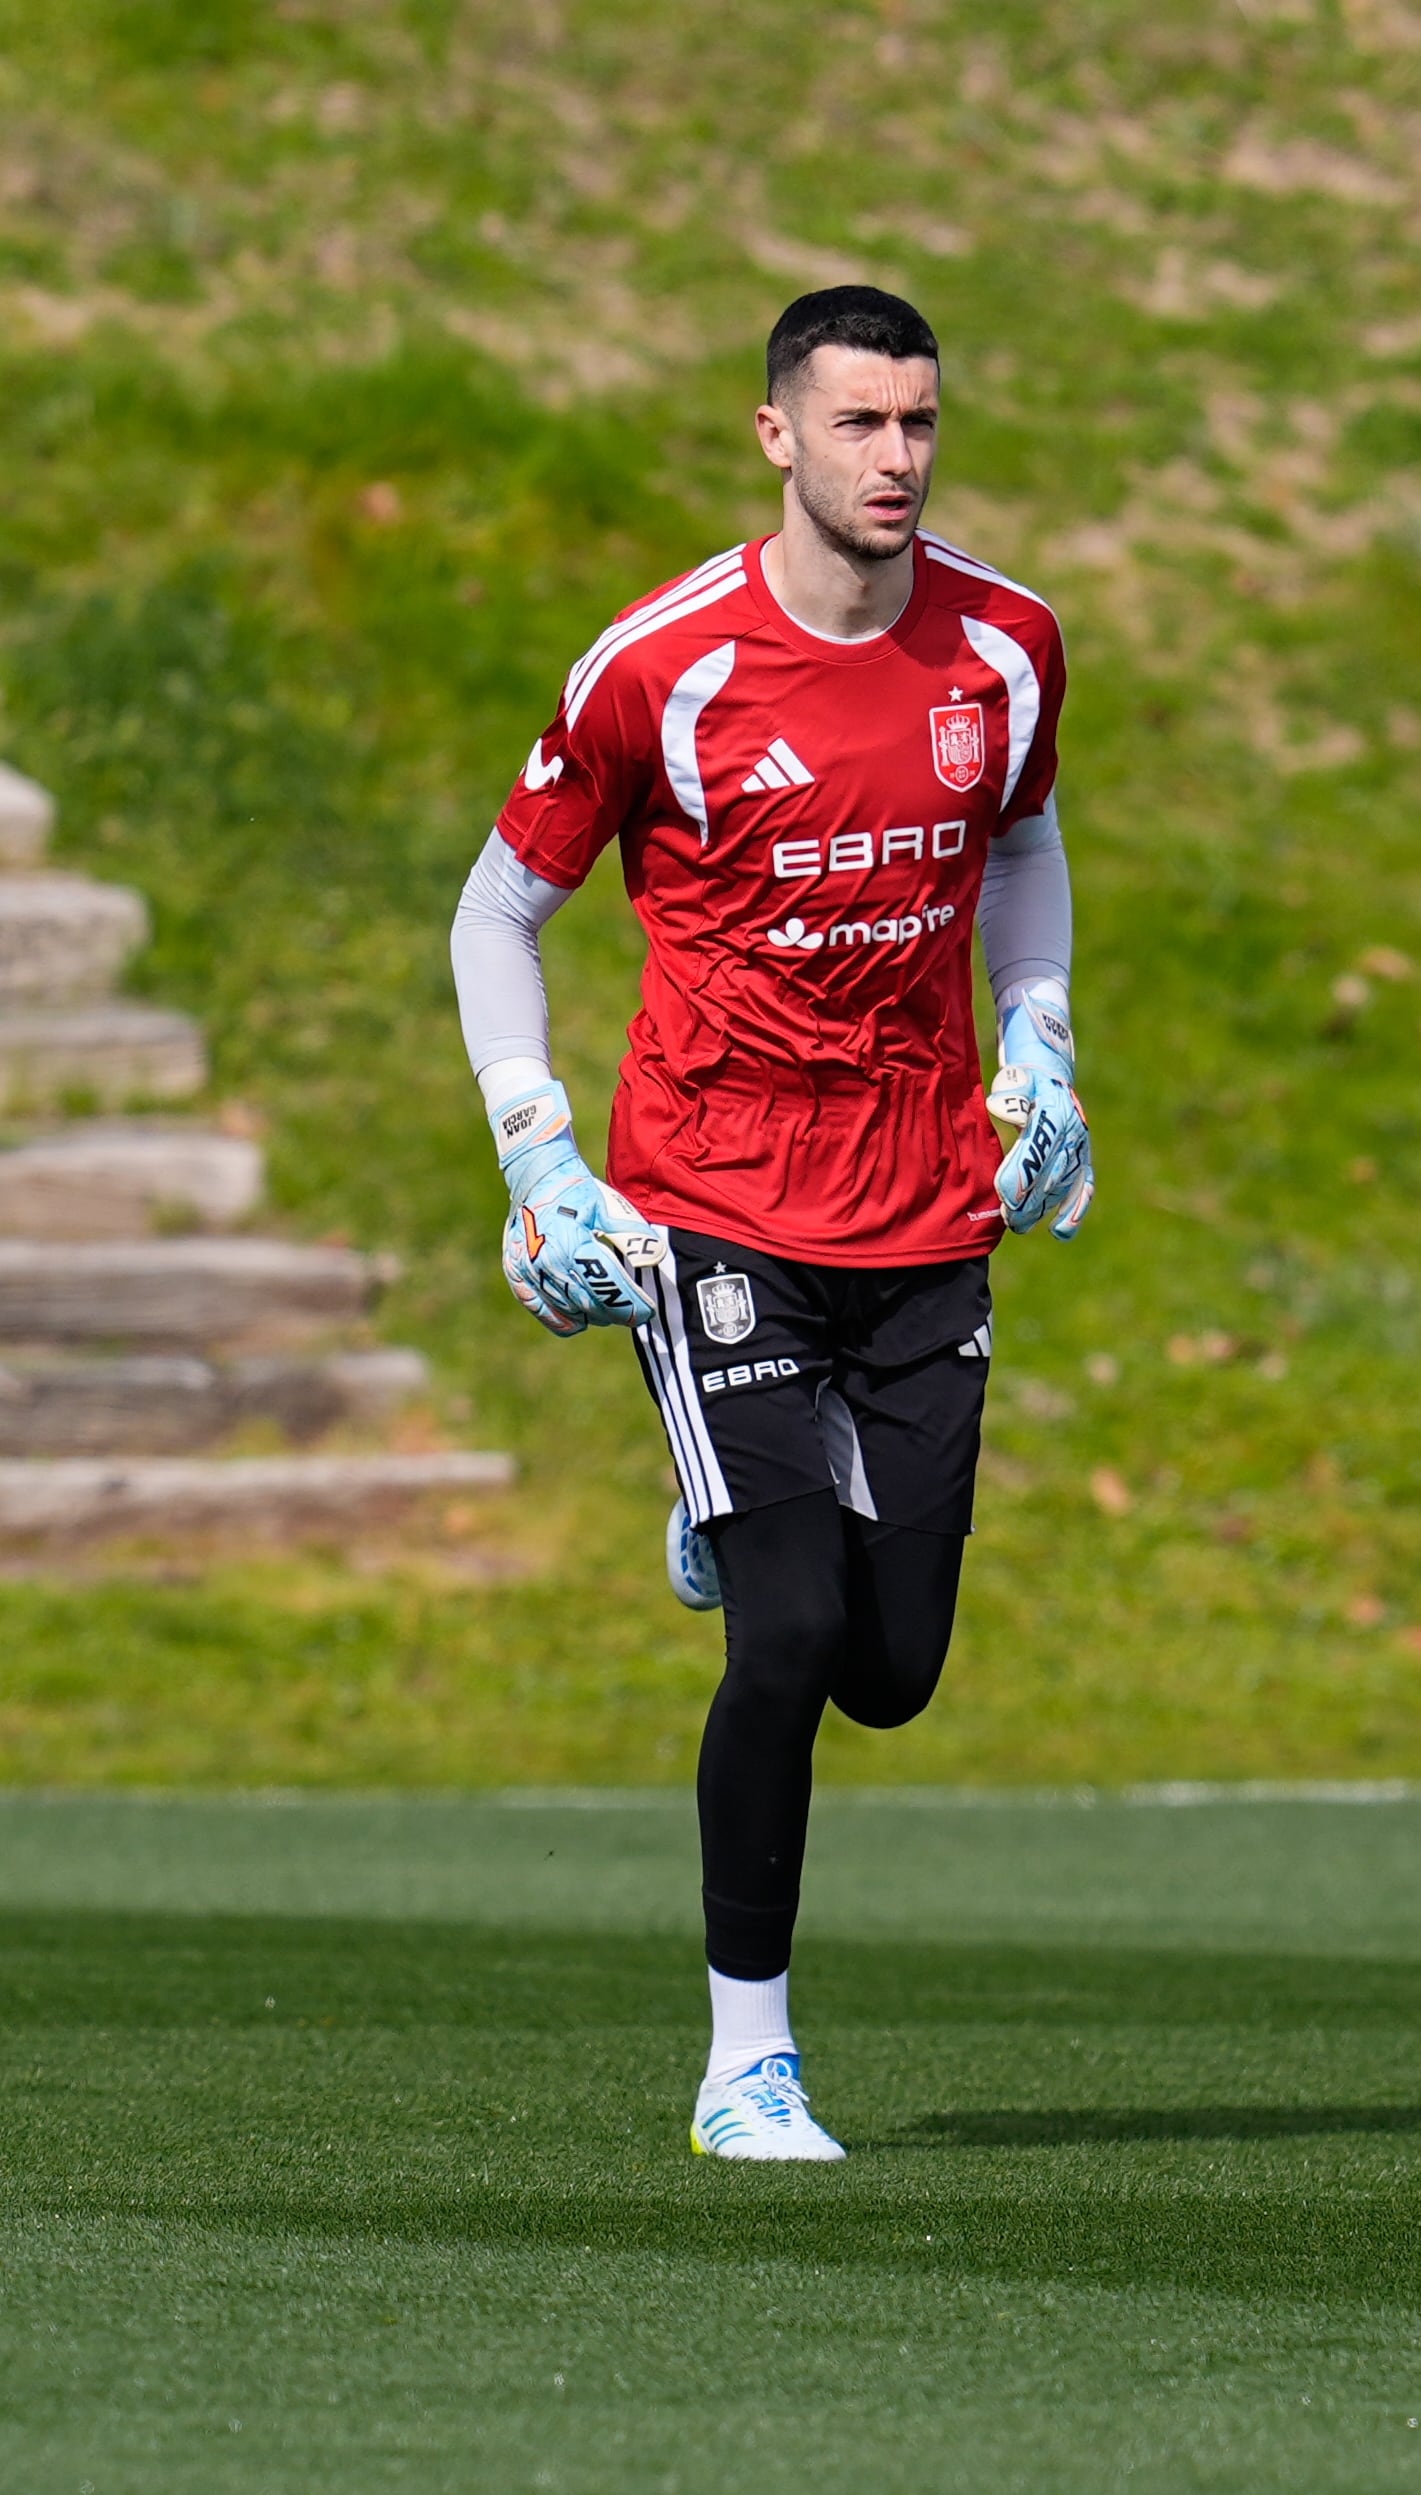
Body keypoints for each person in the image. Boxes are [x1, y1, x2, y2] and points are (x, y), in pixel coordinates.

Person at [449, 285, 1093, 2164]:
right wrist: (536, 1152)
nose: (896, 459)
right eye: (860, 425)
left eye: (920, 425)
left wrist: (1038, 1037)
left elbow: (1025, 847)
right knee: (793, 1631)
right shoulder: (659, 668)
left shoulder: (1010, 647)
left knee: (894, 1670)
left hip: (920, 1198)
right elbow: (499, 915)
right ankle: (752, 2058)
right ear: (777, 436)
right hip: (708, 1197)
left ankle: (732, 1498)